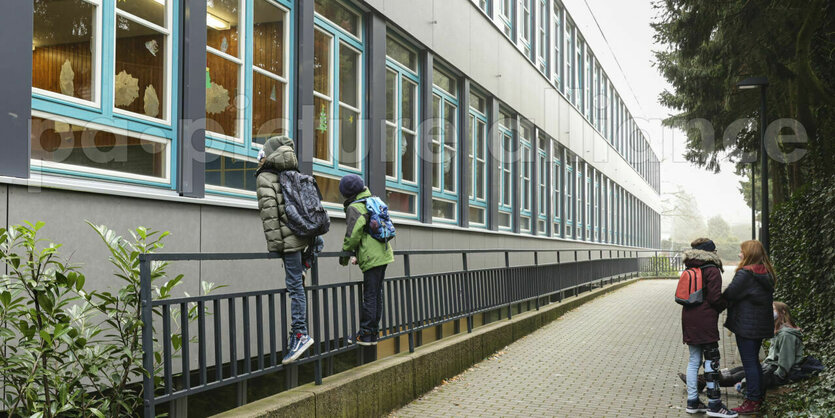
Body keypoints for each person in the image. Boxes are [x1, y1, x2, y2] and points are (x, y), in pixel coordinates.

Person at [256, 136, 315, 364]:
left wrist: (277, 248)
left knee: (295, 288)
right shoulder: (295, 173)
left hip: (290, 244)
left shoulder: (265, 177)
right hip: (306, 237)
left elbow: (269, 214)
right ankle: (305, 266)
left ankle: (300, 333)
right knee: (298, 281)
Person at [679, 302, 806, 391]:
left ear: (782, 313)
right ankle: (701, 380)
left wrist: (774, 377)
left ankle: (700, 381)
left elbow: (785, 363)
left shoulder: (786, 335)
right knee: (737, 370)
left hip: (775, 371)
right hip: (769, 366)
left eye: (772, 309)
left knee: (738, 375)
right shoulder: (780, 331)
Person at [680, 238, 737, 417]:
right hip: (705, 319)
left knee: (693, 360)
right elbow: (714, 298)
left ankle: (693, 401)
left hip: (689, 317)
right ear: (711, 252)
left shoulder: (690, 267)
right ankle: (715, 404)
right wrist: (726, 303)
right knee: (712, 359)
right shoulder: (711, 269)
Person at [337, 174, 394, 346]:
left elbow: (353, 235)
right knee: (376, 294)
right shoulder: (372, 200)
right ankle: (373, 332)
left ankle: (366, 334)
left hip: (372, 257)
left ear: (347, 193)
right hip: (383, 253)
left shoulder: (355, 207)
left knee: (370, 295)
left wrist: (344, 255)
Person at [723, 240, 776, 414]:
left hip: (746, 325)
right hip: (758, 325)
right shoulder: (765, 273)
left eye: (741, 252)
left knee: (749, 364)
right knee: (753, 362)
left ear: (749, 254)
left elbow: (730, 294)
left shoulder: (746, 274)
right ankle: (757, 396)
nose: (739, 255)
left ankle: (752, 400)